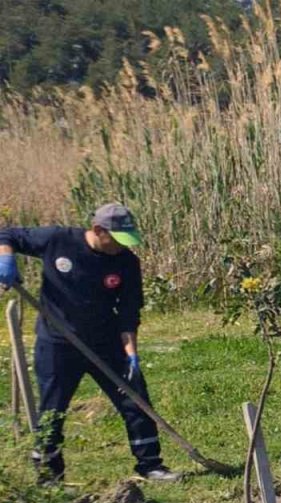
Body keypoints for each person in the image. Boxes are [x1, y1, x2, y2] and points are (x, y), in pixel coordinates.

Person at [0, 203, 176, 484]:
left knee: (135, 399)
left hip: (105, 343)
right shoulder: (58, 240)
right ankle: (49, 476)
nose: (121, 246)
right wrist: (5, 258)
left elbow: (129, 313)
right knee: (52, 411)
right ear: (98, 230)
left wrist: (131, 355)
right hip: (57, 343)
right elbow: (7, 235)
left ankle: (150, 465)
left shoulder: (126, 262)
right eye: (116, 239)